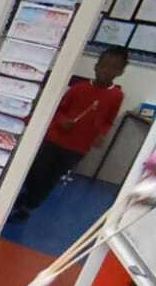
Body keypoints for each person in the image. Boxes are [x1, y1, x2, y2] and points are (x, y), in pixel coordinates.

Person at [12, 45, 128, 219]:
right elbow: (58, 110)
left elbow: (109, 120)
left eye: (113, 68)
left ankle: (29, 206)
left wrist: (102, 134)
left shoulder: (117, 96)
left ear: (120, 72)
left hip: (78, 147)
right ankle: (26, 194)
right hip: (55, 138)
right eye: (103, 65)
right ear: (96, 66)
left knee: (53, 177)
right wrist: (62, 121)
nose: (106, 71)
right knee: (37, 169)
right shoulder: (78, 88)